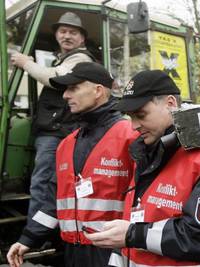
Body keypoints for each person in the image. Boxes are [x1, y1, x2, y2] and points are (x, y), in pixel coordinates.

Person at [84, 70, 200, 266]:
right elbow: (134, 223)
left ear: (170, 104)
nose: (134, 125)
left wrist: (132, 234)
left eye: (141, 115)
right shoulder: (147, 154)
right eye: (130, 116)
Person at [7, 62, 138, 267]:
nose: (65, 95)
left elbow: (144, 202)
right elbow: (53, 202)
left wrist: (121, 251)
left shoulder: (130, 136)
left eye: (73, 88)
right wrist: (28, 239)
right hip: (73, 253)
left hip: (114, 254)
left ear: (98, 91)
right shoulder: (66, 144)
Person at [10, 11, 95, 235]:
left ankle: (35, 234)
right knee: (44, 181)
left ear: (82, 38)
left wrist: (26, 63)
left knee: (44, 182)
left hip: (59, 130)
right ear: (57, 34)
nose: (67, 36)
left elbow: (55, 79)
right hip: (54, 128)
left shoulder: (79, 58)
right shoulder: (63, 58)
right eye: (63, 31)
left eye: (73, 32)